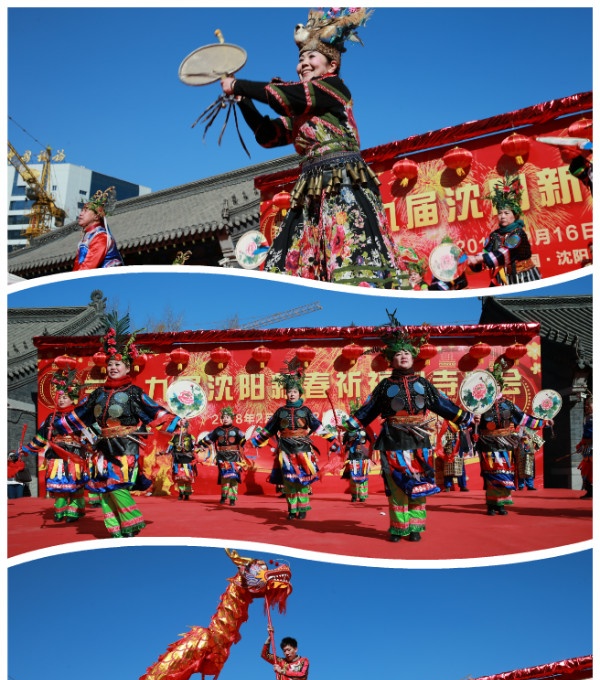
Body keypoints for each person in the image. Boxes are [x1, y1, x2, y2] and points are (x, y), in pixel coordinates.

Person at [221, 9, 410, 288]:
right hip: (311, 189)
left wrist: (239, 84)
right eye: (301, 59)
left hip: (341, 181)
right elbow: (268, 135)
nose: (304, 64)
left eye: (311, 57)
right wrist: (242, 99)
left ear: (331, 65)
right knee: (297, 260)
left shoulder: (334, 88)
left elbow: (283, 97)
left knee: (348, 254)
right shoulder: (304, 110)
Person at [51, 313, 185, 537]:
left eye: (118, 364)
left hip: (125, 446)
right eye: (111, 364)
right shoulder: (98, 394)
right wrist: (60, 425)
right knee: (103, 487)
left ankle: (132, 523)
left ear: (127, 368)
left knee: (117, 485)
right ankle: (116, 529)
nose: (113, 368)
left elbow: (153, 410)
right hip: (103, 447)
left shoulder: (133, 392)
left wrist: (175, 422)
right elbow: (81, 414)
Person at [350, 316, 473, 542]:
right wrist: (351, 424)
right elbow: (369, 409)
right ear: (391, 360)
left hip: (419, 441)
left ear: (413, 356)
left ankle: (415, 527)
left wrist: (464, 416)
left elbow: (442, 404)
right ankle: (399, 527)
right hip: (392, 440)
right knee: (396, 485)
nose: (403, 356)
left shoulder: (423, 384)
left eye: (407, 352)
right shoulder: (384, 386)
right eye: (398, 353)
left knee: (419, 484)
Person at [250, 369, 339, 520]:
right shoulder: (280, 412)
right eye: (289, 392)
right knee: (289, 480)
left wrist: (333, 439)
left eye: (295, 392)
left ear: (299, 394)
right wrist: (253, 442)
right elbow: (269, 429)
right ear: (286, 394)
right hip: (285, 449)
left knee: (302, 479)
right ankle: (292, 510)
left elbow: (318, 427)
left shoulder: (305, 411)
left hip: (302, 448)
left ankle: (302, 509)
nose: (292, 394)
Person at [473, 359, 553, 516]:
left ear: (500, 386)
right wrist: (473, 420)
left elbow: (524, 418)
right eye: (491, 385)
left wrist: (544, 422)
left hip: (505, 443)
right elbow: (469, 422)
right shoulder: (480, 405)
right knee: (491, 475)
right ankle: (491, 504)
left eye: (497, 384)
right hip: (488, 444)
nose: (494, 387)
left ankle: (501, 504)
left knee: (505, 473)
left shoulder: (508, 405)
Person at [20, 370, 88, 522]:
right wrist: (26, 449)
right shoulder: (52, 417)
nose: (61, 400)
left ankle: (75, 511)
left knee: (75, 484)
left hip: (74, 454)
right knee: (59, 484)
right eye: (60, 397)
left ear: (72, 399)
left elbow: (90, 434)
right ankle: (60, 510)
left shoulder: (78, 416)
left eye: (65, 397)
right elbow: (41, 437)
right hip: (56, 455)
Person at [467, 175, 541, 286]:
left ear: (514, 216)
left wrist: (478, 259)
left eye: (506, 213)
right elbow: (486, 253)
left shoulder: (518, 233)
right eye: (500, 213)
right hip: (503, 278)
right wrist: (471, 260)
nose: (502, 216)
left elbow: (505, 252)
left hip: (523, 277)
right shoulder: (495, 235)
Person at [197, 407, 247, 505]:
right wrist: (200, 445)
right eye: (223, 417)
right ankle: (224, 496)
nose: (225, 419)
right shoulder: (217, 430)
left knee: (234, 477)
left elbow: (244, 441)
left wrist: (251, 441)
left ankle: (232, 498)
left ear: (232, 418)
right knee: (225, 477)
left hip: (234, 456)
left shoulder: (236, 430)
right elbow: (208, 439)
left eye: (227, 417)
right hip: (222, 457)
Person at [73, 187, 124, 271]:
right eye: (82, 210)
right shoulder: (88, 237)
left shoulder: (101, 237)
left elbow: (87, 267)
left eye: (85, 211)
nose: (81, 214)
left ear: (96, 216)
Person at [341, 405, 373, 503]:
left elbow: (373, 439)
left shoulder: (365, 430)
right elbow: (343, 443)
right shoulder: (348, 432)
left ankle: (363, 495)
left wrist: (370, 452)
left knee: (363, 476)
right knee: (353, 476)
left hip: (363, 456)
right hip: (352, 457)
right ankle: (354, 495)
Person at [436, 419, 470, 492]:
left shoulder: (460, 425)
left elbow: (464, 436)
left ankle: (463, 486)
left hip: (458, 449)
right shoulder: (446, 425)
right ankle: (447, 486)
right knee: (448, 468)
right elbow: (442, 437)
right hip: (448, 448)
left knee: (460, 467)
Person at [164, 428, 197, 501]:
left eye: (184, 428)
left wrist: (195, 453)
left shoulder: (191, 437)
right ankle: (181, 494)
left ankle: (187, 494)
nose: (182, 430)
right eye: (181, 428)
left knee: (188, 478)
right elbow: (170, 447)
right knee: (180, 478)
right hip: (178, 460)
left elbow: (194, 447)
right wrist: (166, 452)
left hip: (187, 460)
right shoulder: (175, 437)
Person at [576, 393, 592, 498]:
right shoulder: (587, 417)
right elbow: (585, 435)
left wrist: (590, 443)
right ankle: (590, 491)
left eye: (589, 404)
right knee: (585, 470)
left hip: (592, 447)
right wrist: (581, 444)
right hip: (587, 447)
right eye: (586, 404)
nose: (586, 406)